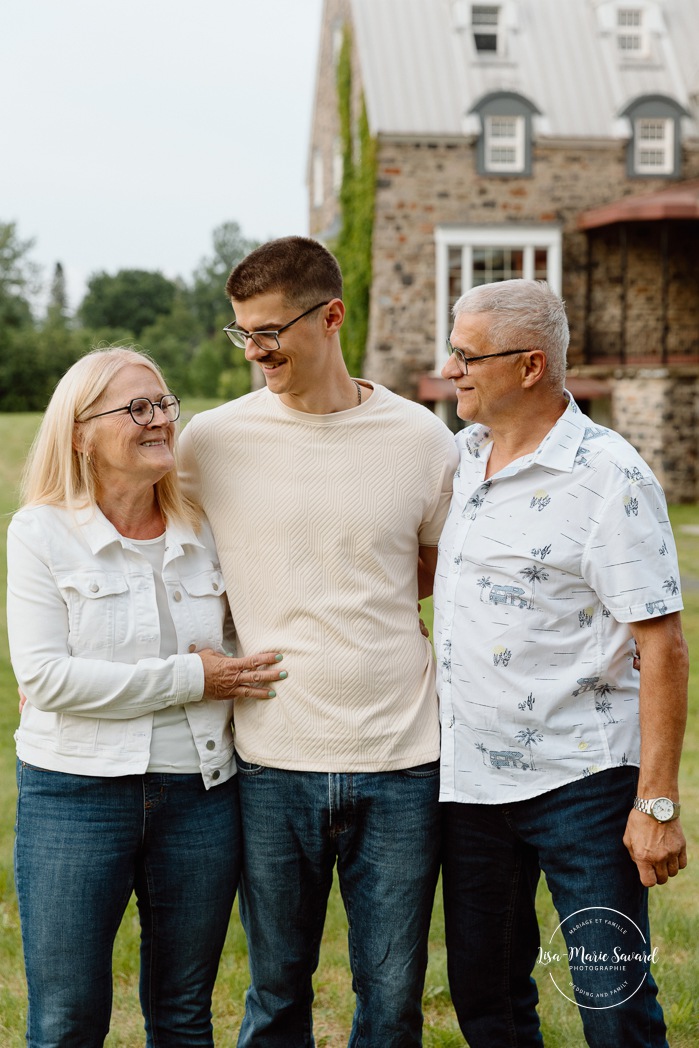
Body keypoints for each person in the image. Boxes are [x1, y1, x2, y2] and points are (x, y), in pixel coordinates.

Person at [178, 235, 459, 1047]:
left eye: (270, 330)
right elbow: (167, 558)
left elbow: (440, 562)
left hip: (402, 759)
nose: (256, 350)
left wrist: (358, 603)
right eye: (243, 332)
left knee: (392, 1004)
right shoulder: (210, 442)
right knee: (273, 1000)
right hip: (271, 759)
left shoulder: (419, 440)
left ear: (331, 317)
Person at [7, 347, 287, 1048]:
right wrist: (194, 677)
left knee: (185, 1013)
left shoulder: (203, 531)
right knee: (67, 1019)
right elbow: (46, 679)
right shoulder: (41, 533)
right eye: (137, 408)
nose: (160, 419)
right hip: (75, 794)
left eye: (164, 404)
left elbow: (243, 644)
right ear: (80, 433)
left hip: (199, 796)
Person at [434, 279, 688, 1048]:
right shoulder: (460, 456)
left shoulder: (609, 476)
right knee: (487, 1004)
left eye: (467, 355)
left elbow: (662, 643)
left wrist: (657, 806)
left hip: (582, 786)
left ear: (531, 365)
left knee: (613, 1009)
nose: (450, 369)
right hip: (470, 784)